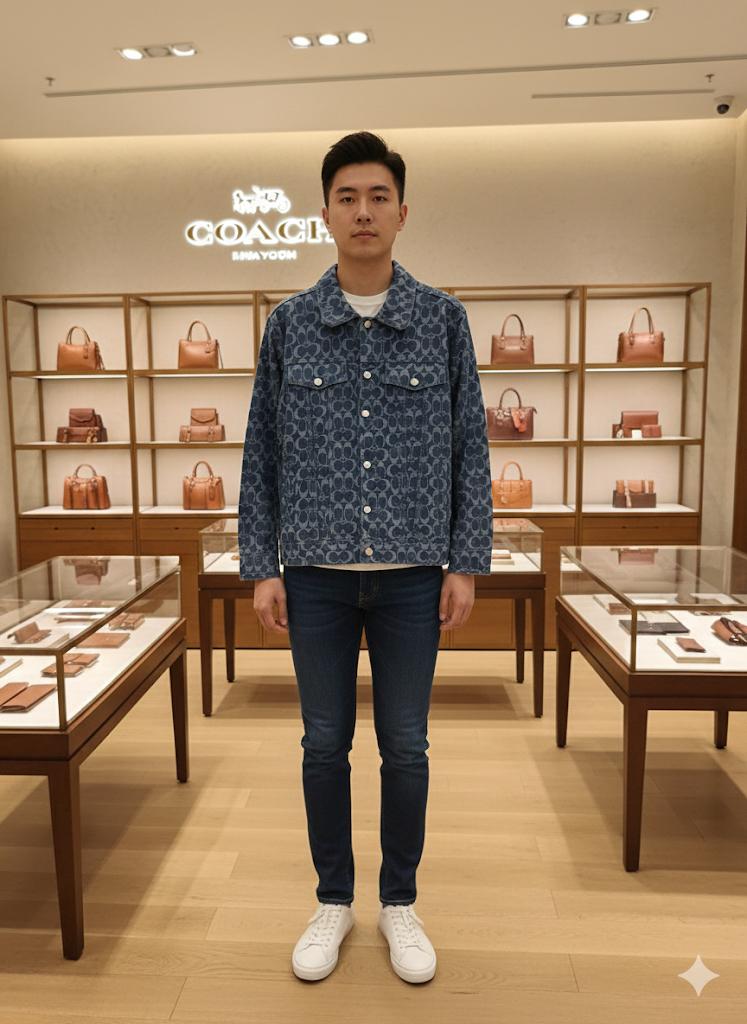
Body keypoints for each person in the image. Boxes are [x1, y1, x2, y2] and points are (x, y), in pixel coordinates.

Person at [238, 131, 493, 984]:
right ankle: (332, 900)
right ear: (325, 213)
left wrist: (464, 561)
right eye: (347, 197)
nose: (362, 211)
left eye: (377, 196)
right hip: (313, 574)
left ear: (401, 212)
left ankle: (399, 902)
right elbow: (260, 450)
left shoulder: (442, 320)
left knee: (407, 745)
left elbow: (470, 446)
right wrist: (261, 564)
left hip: (414, 575)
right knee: (322, 744)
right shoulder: (290, 324)